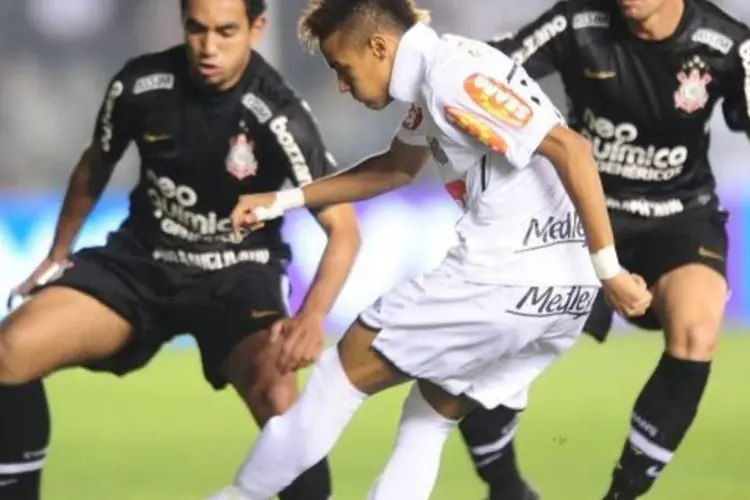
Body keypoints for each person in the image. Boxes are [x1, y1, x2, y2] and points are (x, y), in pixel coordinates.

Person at [207, 0, 653, 498]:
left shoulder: (452, 78)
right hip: (559, 299)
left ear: (378, 46)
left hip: (503, 279)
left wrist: (610, 270)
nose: (341, 84)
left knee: (337, 376)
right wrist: (283, 200)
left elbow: (573, 150)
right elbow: (395, 168)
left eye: (342, 68)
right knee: (427, 419)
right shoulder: (440, 75)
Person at [0, 1, 361, 499]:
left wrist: (311, 317)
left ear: (256, 29)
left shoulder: (279, 114)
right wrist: (59, 252)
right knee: (9, 351)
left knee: (277, 394)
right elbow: (95, 163)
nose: (209, 46)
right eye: (197, 29)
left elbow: (344, 228)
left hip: (237, 274)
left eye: (226, 32)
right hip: (143, 263)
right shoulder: (141, 85)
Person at [457, 0, 750, 498]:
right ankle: (505, 486)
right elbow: (494, 69)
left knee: (698, 329)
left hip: (678, 216)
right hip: (581, 212)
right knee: (496, 340)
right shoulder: (578, 19)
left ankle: (622, 494)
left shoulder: (727, 44)